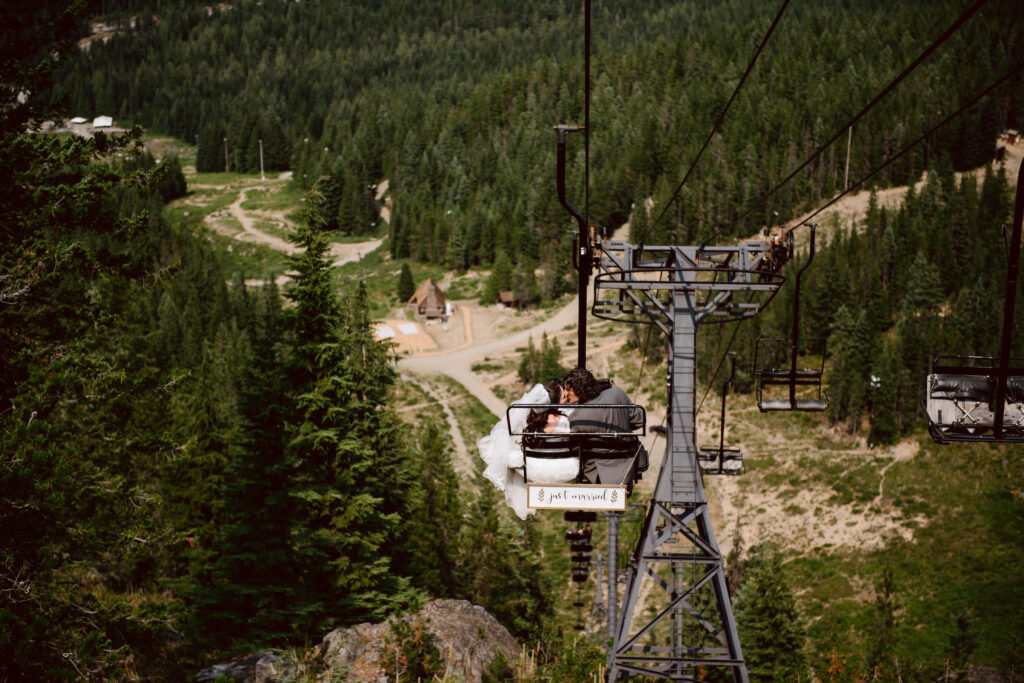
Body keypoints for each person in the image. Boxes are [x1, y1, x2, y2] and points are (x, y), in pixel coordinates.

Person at [478, 378, 571, 520]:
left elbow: (502, 429)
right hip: (546, 466)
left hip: (523, 464)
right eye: (564, 397)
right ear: (554, 401)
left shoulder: (519, 411)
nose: (567, 399)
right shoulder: (559, 420)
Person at [562, 367, 645, 488]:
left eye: (568, 389)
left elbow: (574, 449)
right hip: (628, 468)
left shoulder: (577, 418)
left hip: (597, 476)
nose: (565, 393)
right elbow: (639, 421)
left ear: (578, 389)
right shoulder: (617, 393)